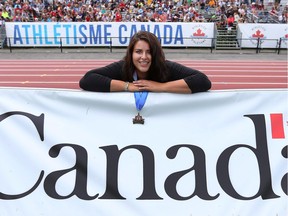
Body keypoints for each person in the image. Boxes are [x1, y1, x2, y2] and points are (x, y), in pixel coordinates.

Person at [79, 31, 211, 94]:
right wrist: (127, 86)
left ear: (156, 53)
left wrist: (160, 87)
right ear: (131, 54)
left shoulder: (165, 67)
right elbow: (87, 80)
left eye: (149, 52)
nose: (144, 57)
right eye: (138, 52)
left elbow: (203, 81)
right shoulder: (123, 66)